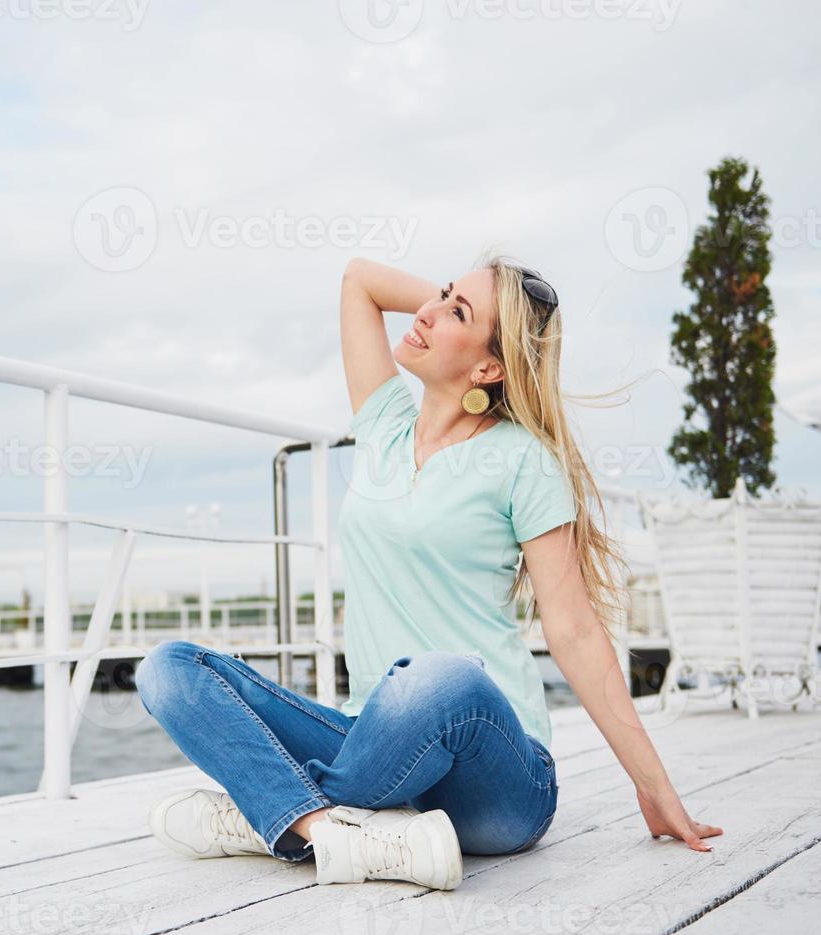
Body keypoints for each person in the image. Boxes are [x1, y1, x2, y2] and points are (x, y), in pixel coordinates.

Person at [134, 253, 723, 889]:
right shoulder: (384, 425)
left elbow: (575, 632)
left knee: (440, 677)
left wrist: (653, 784)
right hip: (371, 744)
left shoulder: (524, 461)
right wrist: (462, 312)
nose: (427, 313)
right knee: (168, 669)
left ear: (489, 367)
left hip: (494, 773)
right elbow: (359, 279)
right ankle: (330, 830)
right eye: (441, 296)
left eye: (456, 313)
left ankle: (269, 812)